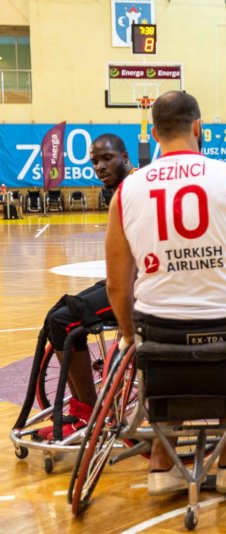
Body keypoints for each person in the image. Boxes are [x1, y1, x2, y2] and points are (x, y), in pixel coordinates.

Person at [105, 91, 226, 495]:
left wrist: (130, 337)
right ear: (199, 128)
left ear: (154, 133)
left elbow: (117, 284)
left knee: (156, 363)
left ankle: (162, 464)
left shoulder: (127, 191)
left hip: (158, 332)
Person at [32, 133, 135, 442]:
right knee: (56, 315)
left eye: (106, 159)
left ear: (125, 155)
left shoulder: (133, 189)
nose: (99, 167)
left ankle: (89, 414)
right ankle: (81, 409)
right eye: (94, 162)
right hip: (132, 277)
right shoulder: (120, 190)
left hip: (146, 286)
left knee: (65, 319)